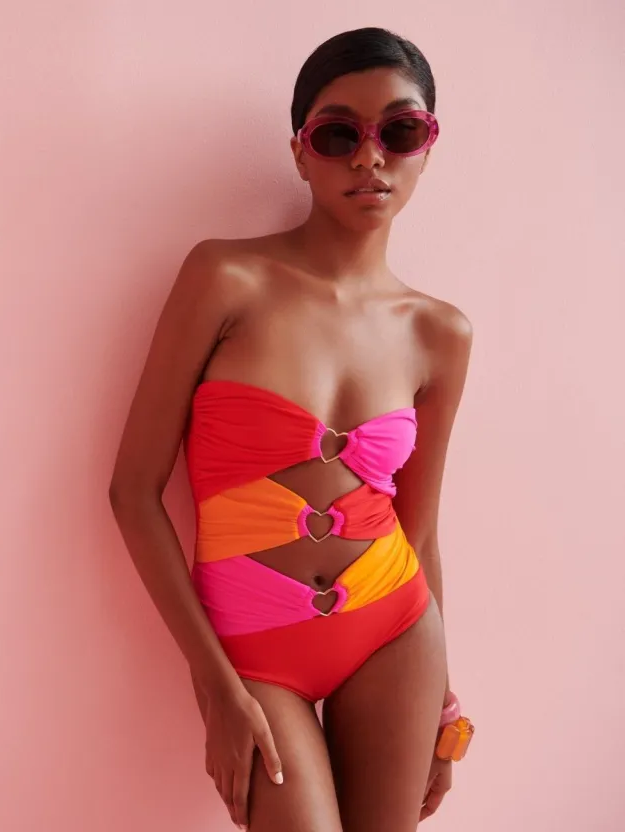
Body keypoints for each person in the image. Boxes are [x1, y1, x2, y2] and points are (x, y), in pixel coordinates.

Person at [107, 27, 475, 832]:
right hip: (252, 647)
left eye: (400, 131)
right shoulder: (224, 276)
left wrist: (444, 709)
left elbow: (420, 529)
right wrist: (214, 686)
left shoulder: (440, 333)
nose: (370, 158)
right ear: (301, 153)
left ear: (426, 147)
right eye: (339, 134)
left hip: (396, 631)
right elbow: (132, 492)